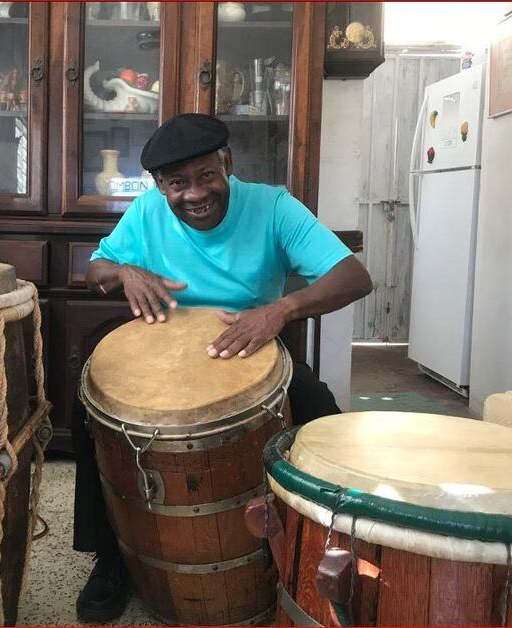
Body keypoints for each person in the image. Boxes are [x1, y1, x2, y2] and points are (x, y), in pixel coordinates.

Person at [73, 113, 373, 622]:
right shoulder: (147, 212)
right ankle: (110, 555)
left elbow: (354, 275)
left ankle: (334, 548)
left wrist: (279, 309)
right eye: (177, 183)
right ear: (158, 185)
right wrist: (123, 271)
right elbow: (93, 269)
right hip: (161, 351)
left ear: (226, 164)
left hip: (254, 346)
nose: (194, 194)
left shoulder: (272, 206)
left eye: (206, 176)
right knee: (92, 405)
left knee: (323, 418)